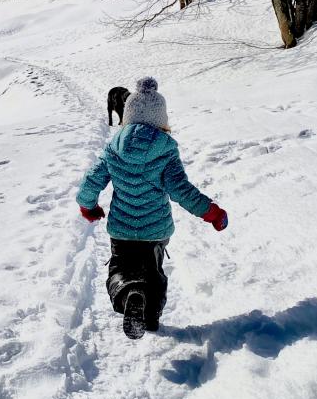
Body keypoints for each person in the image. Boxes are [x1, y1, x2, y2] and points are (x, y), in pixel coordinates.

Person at [76, 77, 228, 339]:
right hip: (155, 231)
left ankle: (128, 296)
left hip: (122, 230)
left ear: (127, 116)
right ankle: (150, 312)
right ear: (162, 119)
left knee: (120, 270)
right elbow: (182, 190)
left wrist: (88, 206)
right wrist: (211, 212)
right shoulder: (165, 151)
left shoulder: (114, 148)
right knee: (153, 274)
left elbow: (92, 181)